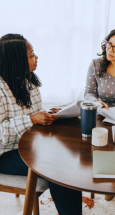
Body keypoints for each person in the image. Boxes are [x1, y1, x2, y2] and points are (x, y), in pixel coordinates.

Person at [0, 34, 82, 215]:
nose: (36, 58)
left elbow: (30, 111)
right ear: (16, 60)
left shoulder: (28, 80)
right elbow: (1, 133)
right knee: (57, 167)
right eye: (31, 55)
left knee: (70, 156)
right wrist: (31, 120)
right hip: (4, 154)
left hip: (31, 143)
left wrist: (47, 114)